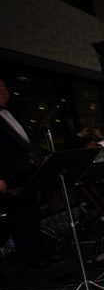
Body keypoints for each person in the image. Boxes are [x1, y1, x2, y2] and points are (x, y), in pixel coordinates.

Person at [0, 77, 47, 269]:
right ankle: (26, 262)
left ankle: (35, 257)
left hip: (27, 174)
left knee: (30, 216)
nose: (3, 91)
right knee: (18, 220)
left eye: (4, 86)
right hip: (9, 177)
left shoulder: (12, 115)